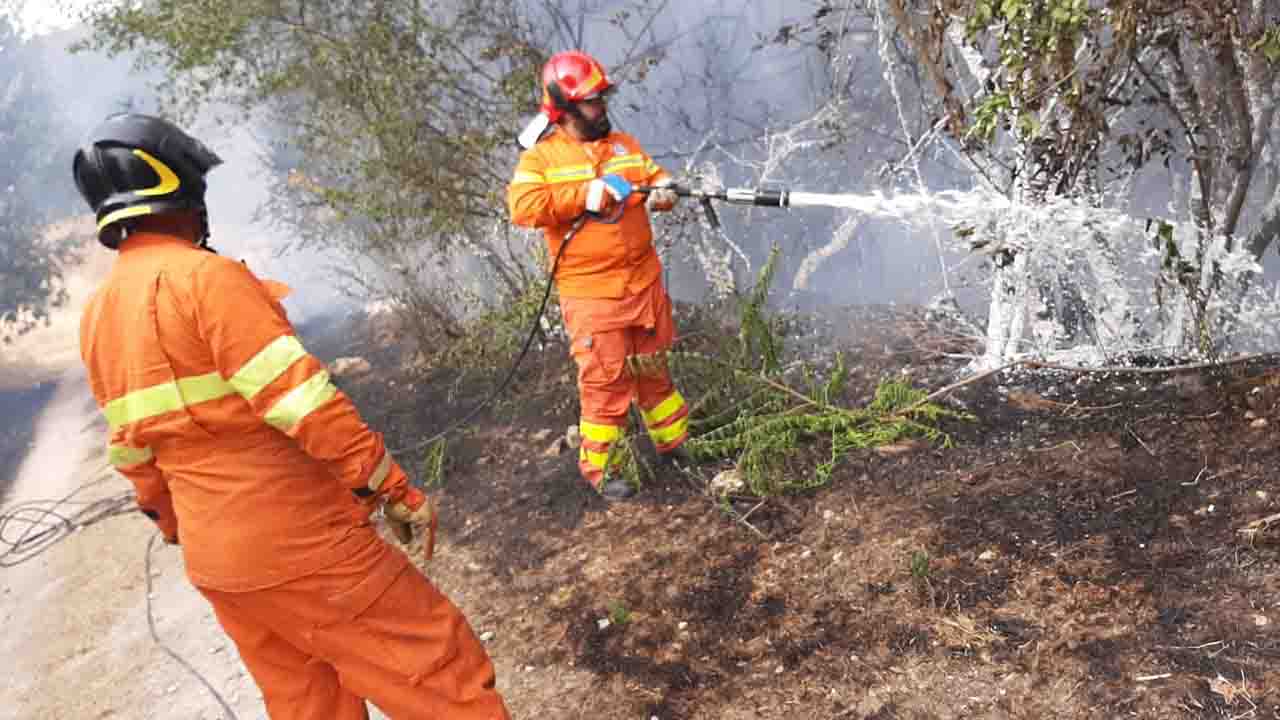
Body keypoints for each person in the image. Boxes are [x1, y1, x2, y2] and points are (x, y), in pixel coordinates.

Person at [73, 113, 510, 720]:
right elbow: (304, 404)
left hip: (218, 561)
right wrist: (392, 486)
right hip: (300, 542)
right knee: (439, 676)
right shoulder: (209, 280)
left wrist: (180, 526)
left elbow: (133, 452)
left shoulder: (98, 316)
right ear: (182, 191)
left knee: (310, 705)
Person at [508, 50, 694, 500]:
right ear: (565, 108)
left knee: (654, 371)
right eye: (592, 101)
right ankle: (601, 469)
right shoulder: (541, 161)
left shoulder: (624, 146)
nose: (602, 107)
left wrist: (664, 190)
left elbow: (653, 176)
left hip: (643, 284)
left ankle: (675, 446)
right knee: (604, 383)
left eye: (602, 97)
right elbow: (523, 208)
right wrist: (585, 193)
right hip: (593, 296)